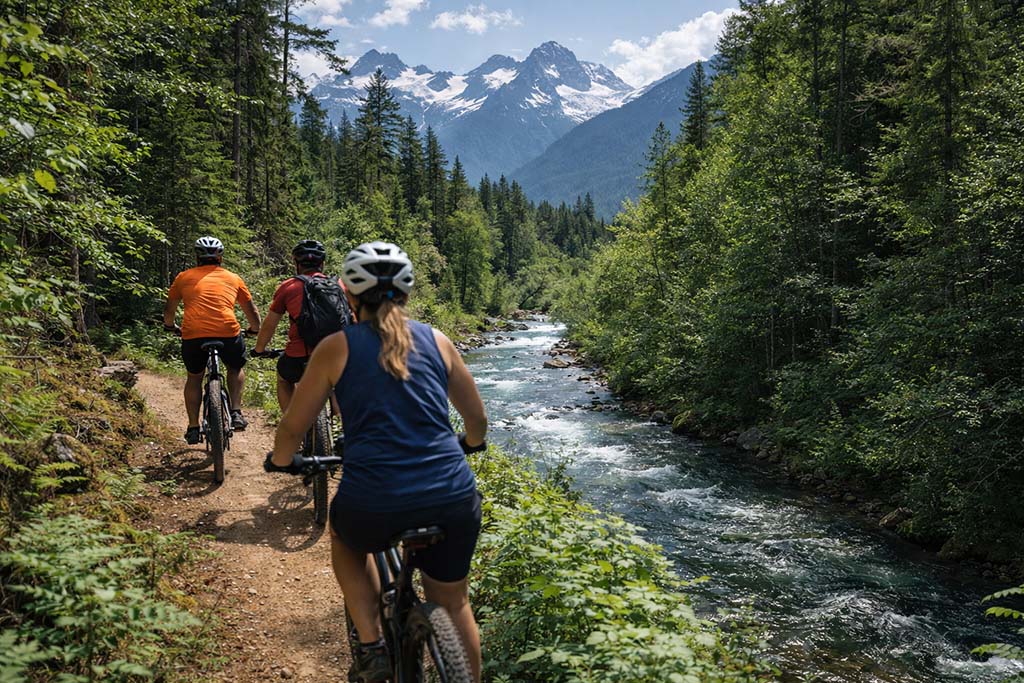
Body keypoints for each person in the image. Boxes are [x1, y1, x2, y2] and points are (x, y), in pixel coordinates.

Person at [265, 241, 487, 683]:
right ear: (407, 293)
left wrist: (282, 461)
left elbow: (292, 427)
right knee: (454, 602)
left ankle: (371, 646)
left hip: (375, 500)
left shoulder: (335, 348)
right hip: (452, 496)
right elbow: (477, 419)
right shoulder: (437, 340)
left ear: (347, 292)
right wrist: (469, 443)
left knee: (347, 545)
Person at [163, 236, 261, 443]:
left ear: (197, 257)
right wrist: (254, 329)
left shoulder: (183, 277)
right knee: (234, 368)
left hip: (193, 334)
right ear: (220, 258)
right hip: (227, 332)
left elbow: (169, 309)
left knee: (194, 377)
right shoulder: (233, 278)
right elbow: (251, 310)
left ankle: (192, 426)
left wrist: (170, 326)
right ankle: (236, 412)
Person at [253, 239, 350, 411]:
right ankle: (342, 428)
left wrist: (259, 349)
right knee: (338, 383)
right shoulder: (339, 286)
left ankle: (292, 427)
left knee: (284, 379)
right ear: (322, 263)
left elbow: (270, 325)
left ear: (296, 263)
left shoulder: (288, 287)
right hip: (335, 352)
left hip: (299, 355)